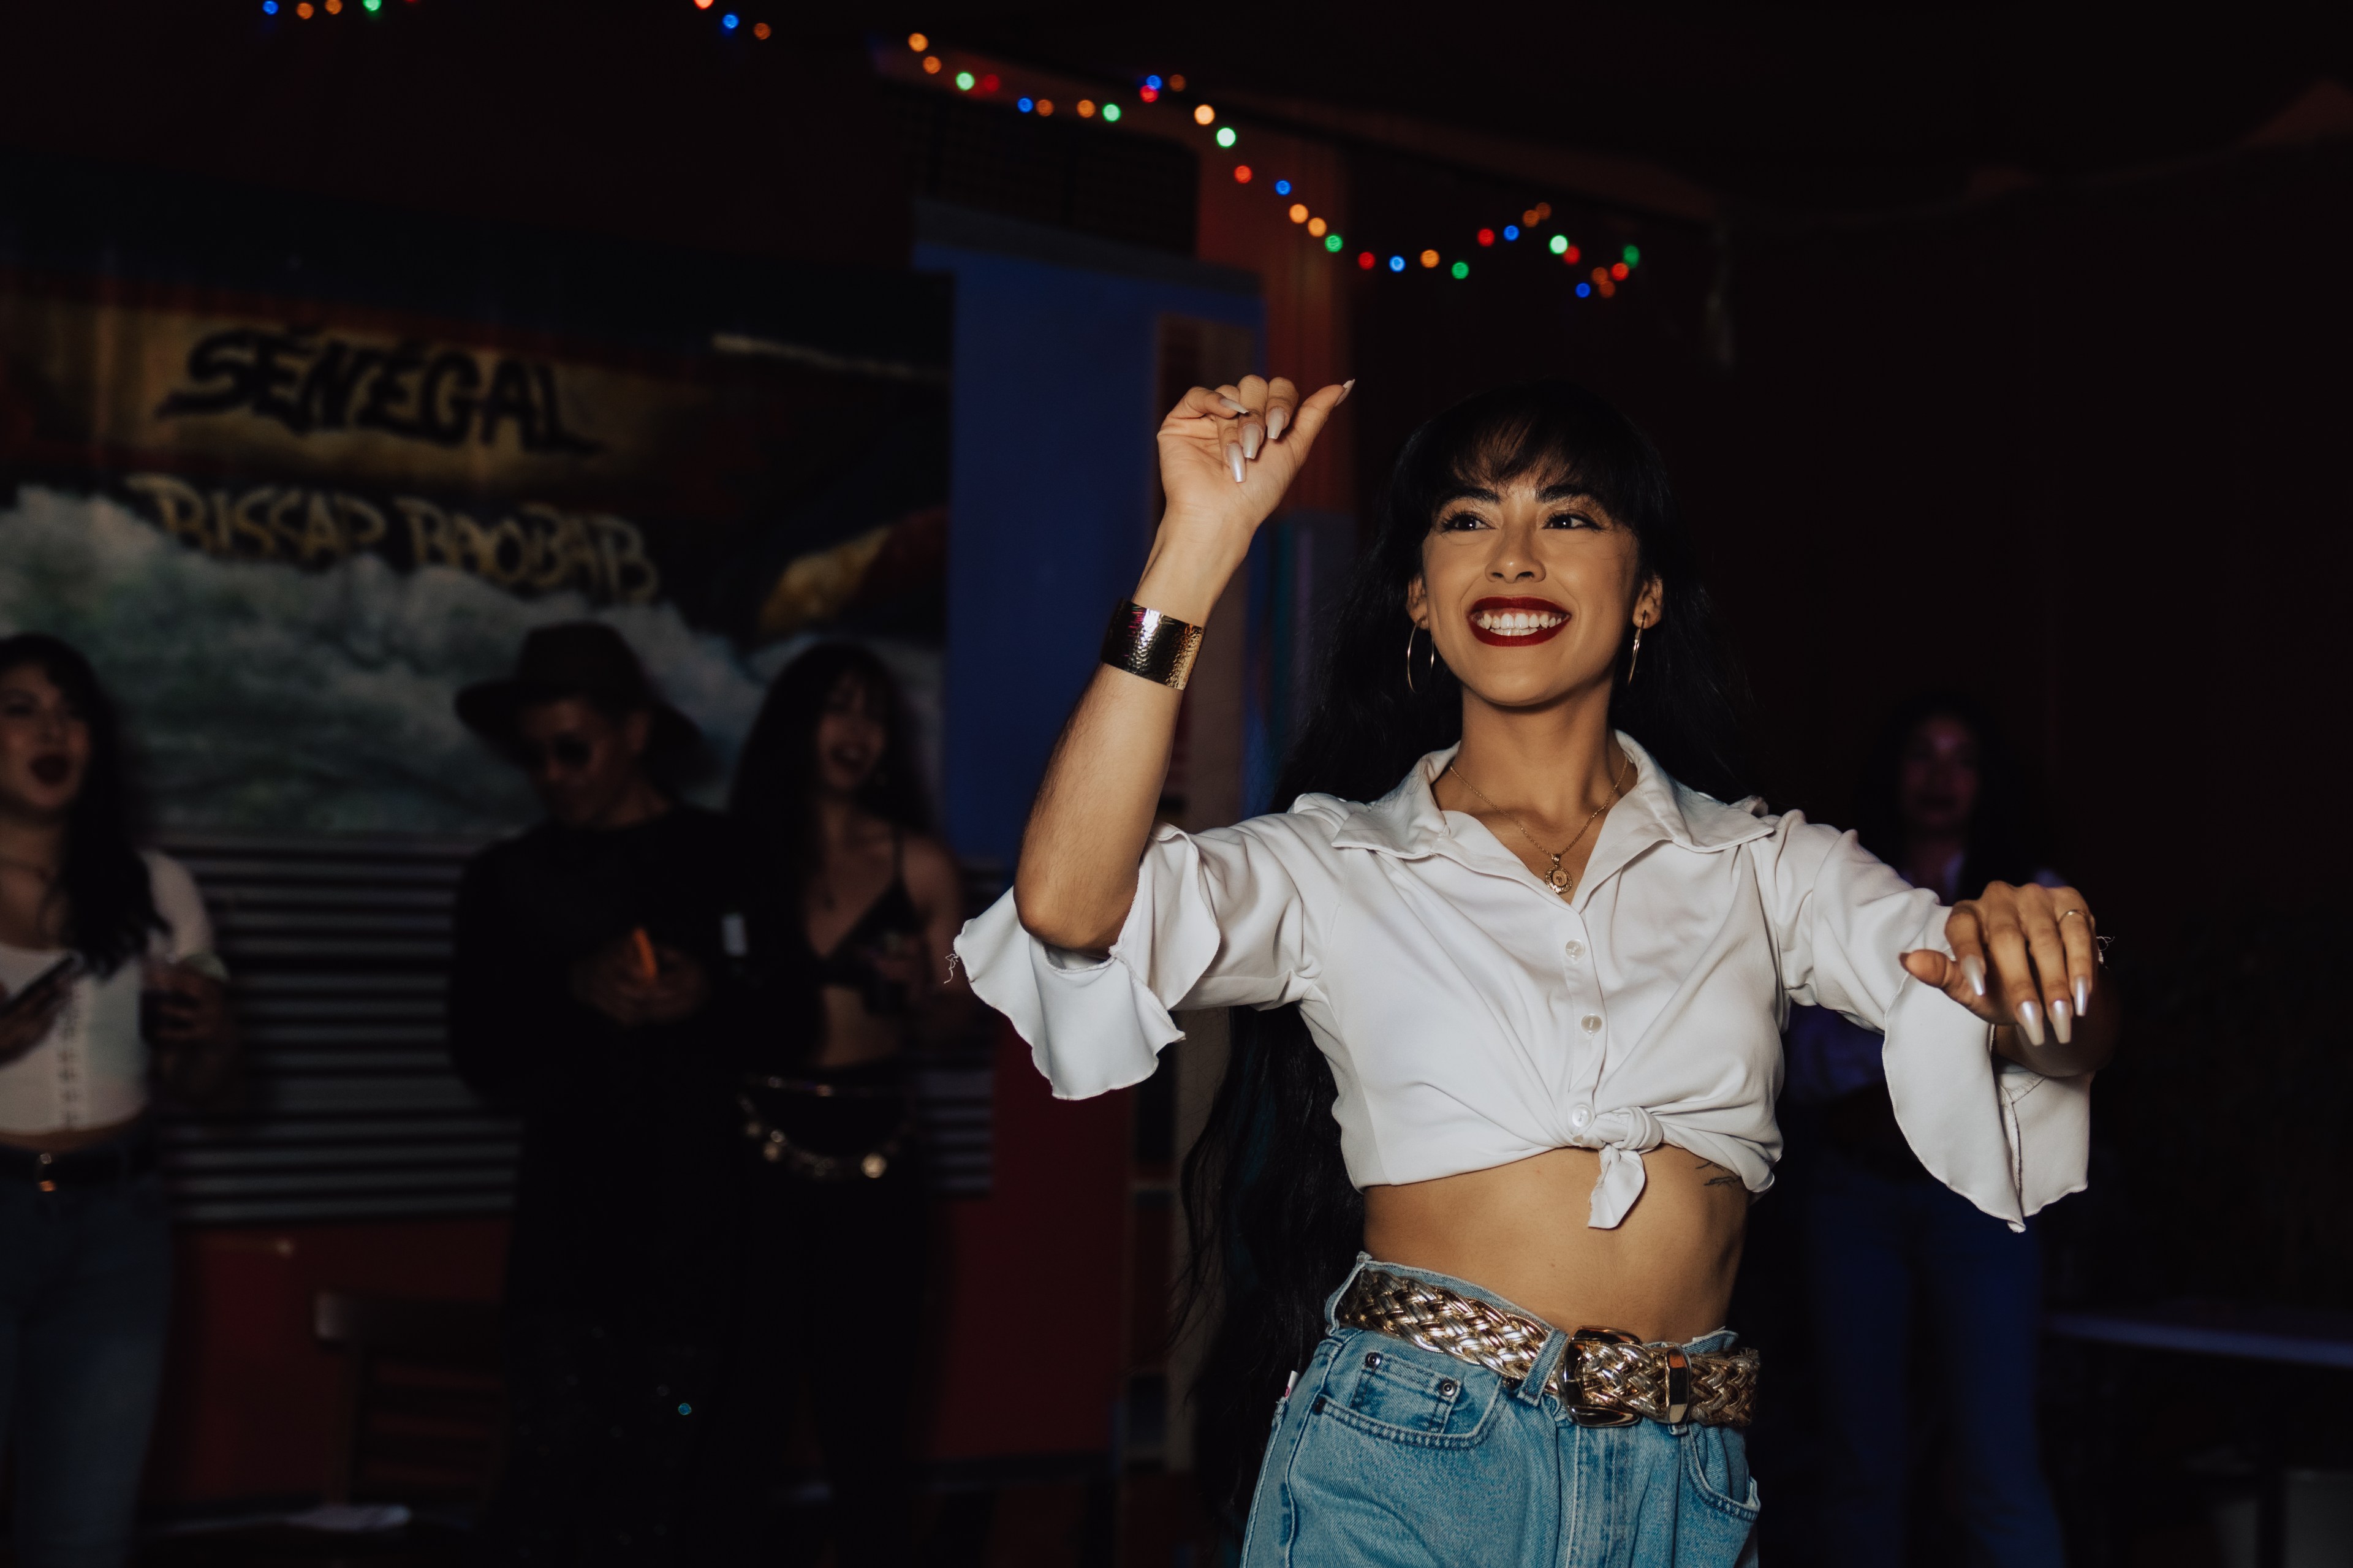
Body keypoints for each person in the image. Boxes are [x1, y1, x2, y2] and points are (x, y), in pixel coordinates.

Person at [955, 376, 2115, 1566]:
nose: (1513, 555)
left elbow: (2021, 1031)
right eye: (1466, 518)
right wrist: (1193, 547)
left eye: (1568, 516)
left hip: (1684, 1481)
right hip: (1407, 1456)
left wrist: (2048, 970)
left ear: (1649, 591)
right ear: (1419, 595)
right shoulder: (1334, 862)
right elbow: (1070, 904)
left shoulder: (1770, 867)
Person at [447, 622, 817, 1567]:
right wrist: (572, 990)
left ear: (636, 733)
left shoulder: (726, 856)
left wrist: (707, 996)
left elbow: (793, 1021)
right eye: (533, 756)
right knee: (548, 1487)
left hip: (699, 1228)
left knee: (679, 1501)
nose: (553, 774)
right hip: (565, 1237)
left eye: (573, 748)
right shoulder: (506, 878)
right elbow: (478, 1052)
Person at [1783, 695, 2069, 1568]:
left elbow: (2058, 1054)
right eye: (1922, 755)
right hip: (1856, 1192)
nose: (1941, 778)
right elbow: (1797, 1064)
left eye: (1962, 759)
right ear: (1891, 772)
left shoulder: (2033, 900)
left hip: (1981, 1203)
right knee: (1859, 1458)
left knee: (1996, 1461)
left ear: (1988, 781)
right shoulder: (1837, 893)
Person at [720, 642, 969, 1568]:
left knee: (868, 1427)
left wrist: (925, 986)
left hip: (876, 1155)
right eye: (836, 707)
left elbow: (959, 1006)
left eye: (872, 712)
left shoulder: (925, 868)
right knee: (739, 1418)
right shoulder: (735, 855)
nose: (856, 730)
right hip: (748, 1151)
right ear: (795, 723)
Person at [0, 633, 235, 1568]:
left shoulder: (159, 886)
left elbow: (216, 1093)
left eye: (72, 711)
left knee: (85, 1542)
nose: (53, 729)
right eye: (21, 709)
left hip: (119, 1232)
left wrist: (215, 1033)